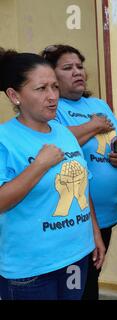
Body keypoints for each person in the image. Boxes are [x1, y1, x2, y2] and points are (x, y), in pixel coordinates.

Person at [0, 49, 105, 300]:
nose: (52, 97)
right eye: (41, 89)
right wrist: (39, 166)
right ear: (14, 95)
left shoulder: (64, 133)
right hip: (32, 269)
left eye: (54, 87)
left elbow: (82, 187)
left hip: (76, 256)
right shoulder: (5, 139)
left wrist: (95, 233)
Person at [42, 44, 117, 300]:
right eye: (67, 68)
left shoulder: (98, 104)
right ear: (51, 76)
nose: (77, 72)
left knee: (90, 280)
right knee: (79, 288)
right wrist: (92, 125)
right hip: (76, 218)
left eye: (79, 66)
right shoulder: (51, 109)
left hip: (108, 215)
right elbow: (53, 145)